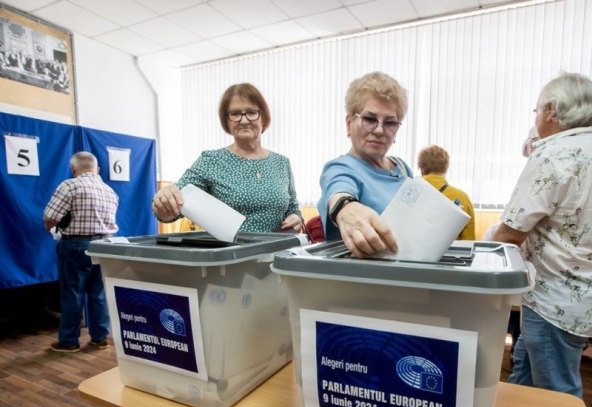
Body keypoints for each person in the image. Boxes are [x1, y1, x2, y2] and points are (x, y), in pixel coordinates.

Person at [492, 72, 592, 398]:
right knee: (525, 377)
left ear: (552, 110)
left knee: (559, 395)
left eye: (537, 110)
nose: (536, 118)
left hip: (554, 299)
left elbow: (510, 232)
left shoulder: (553, 154)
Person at [152, 83, 303, 233]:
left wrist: (296, 218)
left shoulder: (281, 163)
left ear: (263, 117)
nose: (244, 120)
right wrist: (164, 202)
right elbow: (172, 206)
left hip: (278, 252)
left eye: (251, 112)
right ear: (227, 121)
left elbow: (293, 208)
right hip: (233, 254)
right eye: (235, 114)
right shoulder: (211, 161)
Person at [317, 71, 412, 258]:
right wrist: (347, 209)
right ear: (349, 122)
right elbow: (339, 191)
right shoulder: (340, 168)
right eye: (369, 119)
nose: (379, 130)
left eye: (390, 122)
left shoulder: (402, 167)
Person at [43, 151, 119, 353]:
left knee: (72, 294)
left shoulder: (69, 185)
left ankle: (69, 341)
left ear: (73, 169)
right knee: (99, 294)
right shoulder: (110, 191)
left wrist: (53, 230)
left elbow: (49, 216)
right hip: (105, 246)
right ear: (98, 169)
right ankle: (100, 338)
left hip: (75, 245)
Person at [417, 145, 475, 240]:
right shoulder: (462, 197)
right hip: (450, 253)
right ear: (446, 168)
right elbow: (469, 241)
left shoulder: (407, 193)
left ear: (420, 167)